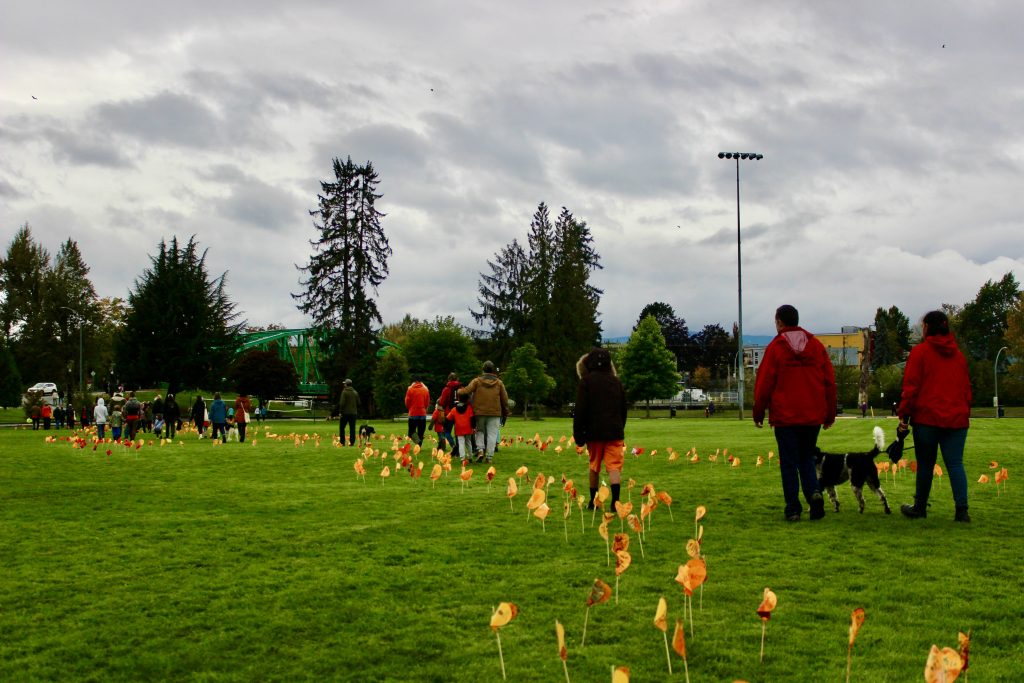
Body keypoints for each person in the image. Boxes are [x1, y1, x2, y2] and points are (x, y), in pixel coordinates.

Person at [753, 305, 837, 522]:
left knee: (789, 462)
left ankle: (793, 508)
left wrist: (758, 411)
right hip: (812, 414)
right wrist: (829, 414)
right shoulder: (816, 346)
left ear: (779, 322)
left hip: (786, 415)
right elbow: (829, 382)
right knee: (806, 458)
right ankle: (813, 493)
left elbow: (764, 382)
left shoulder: (776, 347)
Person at [897, 310, 973, 522]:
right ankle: (962, 509)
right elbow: (966, 388)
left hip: (927, 418)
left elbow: (911, 386)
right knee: (955, 464)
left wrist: (904, 414)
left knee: (926, 464)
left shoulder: (920, 353)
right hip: (956, 418)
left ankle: (920, 507)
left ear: (927, 327)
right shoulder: (958, 356)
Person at [572, 348, 628, 512]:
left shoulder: (586, 382)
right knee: (614, 467)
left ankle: (594, 501)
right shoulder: (616, 382)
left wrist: (579, 434)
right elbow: (623, 408)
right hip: (614, 431)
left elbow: (580, 410)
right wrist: (620, 426)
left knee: (594, 466)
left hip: (593, 432)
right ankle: (615, 502)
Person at [458, 361, 510, 463]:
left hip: (479, 412)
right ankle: (489, 457)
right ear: (493, 370)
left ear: (483, 369)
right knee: (492, 434)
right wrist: (506, 411)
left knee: (479, 431)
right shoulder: (499, 383)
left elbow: (466, 391)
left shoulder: (476, 381)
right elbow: (505, 399)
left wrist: (459, 391)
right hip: (495, 413)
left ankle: (480, 450)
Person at [447, 399, 476, 468]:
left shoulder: (454, 409)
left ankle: (462, 458)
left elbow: (448, 418)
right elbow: (472, 418)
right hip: (468, 428)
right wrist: (473, 427)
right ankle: (470, 457)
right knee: (468, 442)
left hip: (459, 428)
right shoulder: (469, 408)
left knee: (461, 443)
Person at [438, 373, 462, 458]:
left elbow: (442, 402)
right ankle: (459, 451)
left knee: (446, 431)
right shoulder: (461, 388)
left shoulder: (446, 389)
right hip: (459, 412)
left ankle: (453, 445)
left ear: (449, 379)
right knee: (458, 433)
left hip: (449, 413)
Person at [404, 377, 430, 446]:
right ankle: (419, 446)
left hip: (413, 413)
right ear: (421, 382)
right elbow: (427, 402)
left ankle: (418, 442)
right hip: (422, 413)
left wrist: (409, 408)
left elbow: (407, 401)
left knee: (411, 432)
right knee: (421, 432)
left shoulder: (410, 389)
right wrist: (425, 408)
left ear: (414, 382)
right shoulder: (425, 390)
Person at [338, 379, 360, 446]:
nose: (344, 385)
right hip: (353, 413)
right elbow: (359, 403)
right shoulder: (355, 392)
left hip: (345, 413)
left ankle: (342, 442)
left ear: (346, 384)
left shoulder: (344, 392)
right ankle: (352, 442)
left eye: (344, 383)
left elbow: (342, 403)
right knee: (352, 428)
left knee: (342, 428)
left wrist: (340, 412)